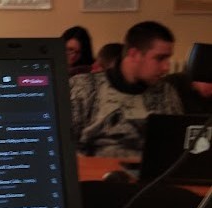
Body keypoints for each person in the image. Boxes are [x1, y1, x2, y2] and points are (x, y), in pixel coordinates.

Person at [70, 21, 183, 158]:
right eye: (160, 58)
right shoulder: (84, 87)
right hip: (95, 168)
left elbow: (176, 148)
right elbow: (66, 147)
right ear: (134, 54)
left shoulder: (166, 93)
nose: (166, 67)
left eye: (168, 59)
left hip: (151, 170)